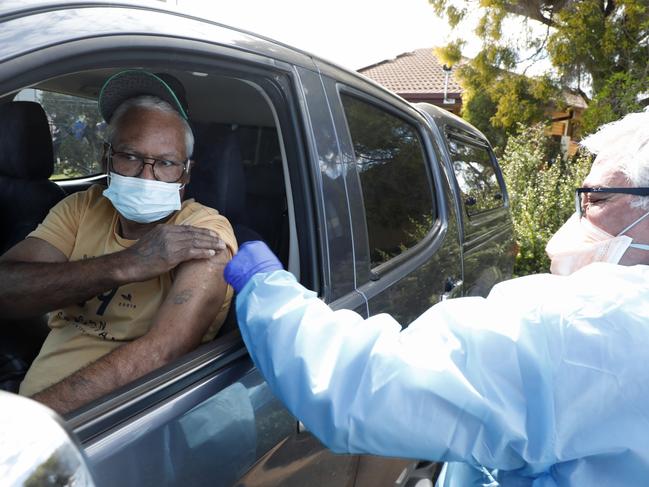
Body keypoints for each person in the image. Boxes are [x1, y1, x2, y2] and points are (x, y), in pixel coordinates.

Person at [223, 108, 649, 486]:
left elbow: (359, 386)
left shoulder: (595, 322)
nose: (576, 220)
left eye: (596, 199)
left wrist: (261, 281)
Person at [0, 70, 237, 414]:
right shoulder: (83, 207)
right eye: (130, 156)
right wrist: (126, 264)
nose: (146, 175)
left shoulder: (203, 230)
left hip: (110, 424)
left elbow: (164, 351)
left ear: (185, 173)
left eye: (166, 163)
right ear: (106, 159)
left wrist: (27, 426)